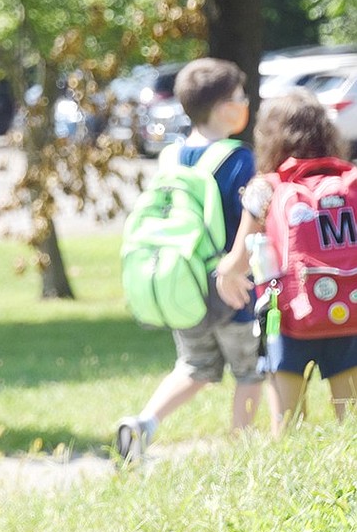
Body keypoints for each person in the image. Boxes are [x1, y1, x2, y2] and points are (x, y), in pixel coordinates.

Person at [116, 57, 262, 462]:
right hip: (232, 284)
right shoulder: (237, 159)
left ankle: (144, 423)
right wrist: (239, 269)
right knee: (251, 372)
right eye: (239, 97)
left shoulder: (172, 156)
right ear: (221, 107)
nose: (245, 102)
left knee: (194, 365)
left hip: (185, 283)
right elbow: (250, 222)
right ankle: (241, 454)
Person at [215, 90, 357, 433]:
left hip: (289, 319)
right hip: (350, 312)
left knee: (289, 428)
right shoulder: (350, 180)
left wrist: (224, 273)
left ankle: (296, 483)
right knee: (352, 426)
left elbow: (238, 261)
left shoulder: (266, 187)